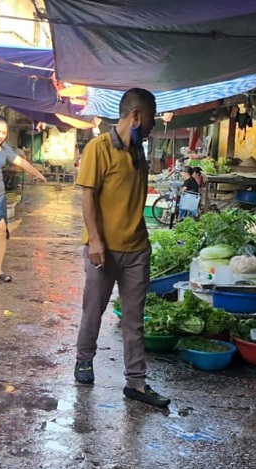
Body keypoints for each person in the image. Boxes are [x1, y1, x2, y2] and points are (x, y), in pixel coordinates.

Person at [74, 88, 171, 408]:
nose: (152, 127)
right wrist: (96, 240)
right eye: (151, 120)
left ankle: (136, 382)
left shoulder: (139, 151)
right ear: (136, 116)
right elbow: (88, 198)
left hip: (137, 249)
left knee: (134, 319)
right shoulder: (97, 148)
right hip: (104, 251)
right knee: (93, 311)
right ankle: (84, 359)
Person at [0, 115, 47, 283]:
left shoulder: (5, 149)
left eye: (4, 133)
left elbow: (21, 162)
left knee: (0, 230)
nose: (0, 136)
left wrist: (37, 174)